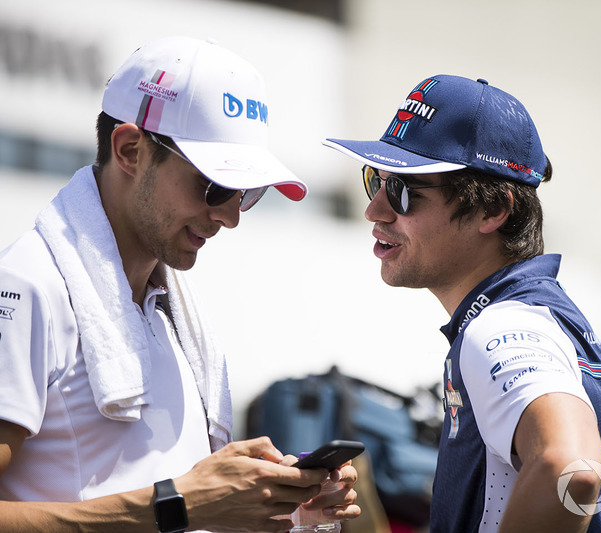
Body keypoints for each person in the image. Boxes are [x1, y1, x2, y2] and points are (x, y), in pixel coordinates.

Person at [0, 36, 359, 532]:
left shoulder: (171, 310)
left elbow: (169, 499)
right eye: (216, 185)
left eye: (247, 192)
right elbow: (170, 506)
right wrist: (178, 506)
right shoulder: (29, 287)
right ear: (130, 150)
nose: (231, 216)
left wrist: (282, 510)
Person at [323, 75, 601, 532]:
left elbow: (572, 470)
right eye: (375, 179)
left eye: (403, 190)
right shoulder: (547, 315)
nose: (374, 209)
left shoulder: (498, 329)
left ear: (494, 211)